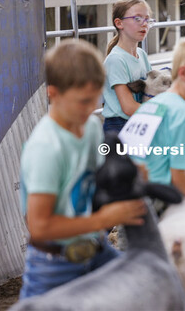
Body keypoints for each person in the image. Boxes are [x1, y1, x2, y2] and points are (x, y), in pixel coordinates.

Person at [18, 39, 147, 299]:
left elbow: (98, 180)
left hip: (94, 247)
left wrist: (134, 172)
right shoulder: (46, 147)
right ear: (52, 94)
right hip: (54, 262)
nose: (90, 108)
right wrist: (104, 219)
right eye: (82, 101)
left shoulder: (89, 126)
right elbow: (39, 226)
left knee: (144, 290)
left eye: (95, 99)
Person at [121, 38, 185, 203]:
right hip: (155, 199)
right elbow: (179, 177)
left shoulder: (152, 105)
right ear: (183, 73)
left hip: (128, 198)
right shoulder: (183, 112)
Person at [101, 0, 153, 133]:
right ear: (119, 23)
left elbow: (150, 91)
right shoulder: (116, 60)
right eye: (137, 18)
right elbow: (128, 107)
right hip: (118, 127)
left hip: (139, 122)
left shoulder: (142, 55)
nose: (144, 24)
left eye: (147, 19)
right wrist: (161, 113)